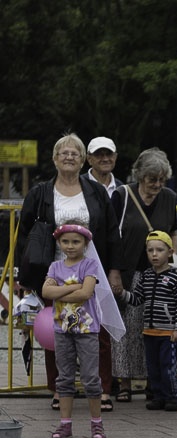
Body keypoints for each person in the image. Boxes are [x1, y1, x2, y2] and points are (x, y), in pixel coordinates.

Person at [16, 133, 123, 413]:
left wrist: (114, 271)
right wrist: (25, 276)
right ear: (54, 159)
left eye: (74, 152)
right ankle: (59, 389)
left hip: (92, 269)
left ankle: (101, 389)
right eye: (63, 152)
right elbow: (24, 235)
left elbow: (112, 232)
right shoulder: (40, 192)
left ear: (82, 159)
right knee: (57, 332)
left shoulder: (96, 191)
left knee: (97, 332)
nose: (69, 156)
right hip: (54, 271)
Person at [109, 148, 177, 405]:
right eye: (152, 179)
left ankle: (155, 383)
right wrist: (114, 271)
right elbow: (112, 236)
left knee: (156, 328)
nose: (157, 185)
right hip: (129, 272)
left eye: (161, 179)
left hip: (159, 274)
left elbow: (173, 231)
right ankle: (124, 383)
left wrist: (173, 262)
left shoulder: (169, 197)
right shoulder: (122, 195)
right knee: (126, 331)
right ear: (140, 176)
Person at [42, 224, 107, 438]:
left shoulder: (90, 265)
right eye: (65, 241)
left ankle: (96, 424)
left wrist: (60, 292)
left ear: (86, 244)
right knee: (64, 377)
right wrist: (72, 288)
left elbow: (86, 293)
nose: (70, 246)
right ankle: (65, 424)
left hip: (87, 329)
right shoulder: (54, 267)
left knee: (90, 377)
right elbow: (46, 291)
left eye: (76, 242)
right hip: (62, 329)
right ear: (59, 243)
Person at [118, 231, 177, 412]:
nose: (154, 254)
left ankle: (173, 397)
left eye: (159, 250)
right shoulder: (146, 276)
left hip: (168, 333)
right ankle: (158, 396)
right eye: (150, 250)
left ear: (170, 252)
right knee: (153, 368)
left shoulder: (176, 277)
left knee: (168, 367)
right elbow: (137, 299)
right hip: (149, 332)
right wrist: (121, 293)